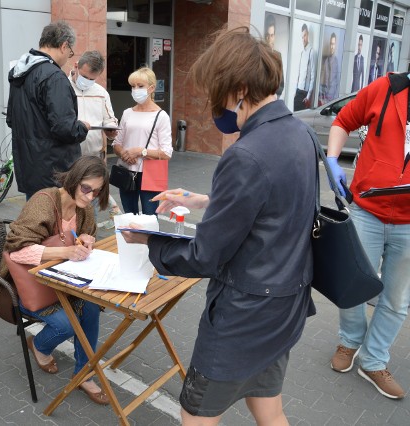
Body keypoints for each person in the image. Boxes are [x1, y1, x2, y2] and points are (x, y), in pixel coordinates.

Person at [122, 27, 317, 425]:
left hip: (243, 315)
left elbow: (204, 256)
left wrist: (147, 239)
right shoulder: (301, 133)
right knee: (268, 407)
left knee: (196, 415)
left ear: (240, 88)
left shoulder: (245, 154)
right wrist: (204, 201)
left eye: (217, 90)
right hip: (285, 304)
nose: (214, 102)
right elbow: (279, 205)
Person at [0, 156, 110, 405]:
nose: (90, 197)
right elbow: (16, 252)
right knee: (65, 325)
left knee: (90, 308)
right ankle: (40, 346)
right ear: (74, 180)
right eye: (86, 188)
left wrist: (87, 239)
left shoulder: (83, 206)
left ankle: (84, 374)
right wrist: (66, 252)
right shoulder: (44, 201)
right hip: (25, 287)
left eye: (96, 192)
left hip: (62, 281)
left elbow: (89, 231)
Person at [325, 69, 410, 400]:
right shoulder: (385, 89)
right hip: (367, 211)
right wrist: (332, 160)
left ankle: (374, 360)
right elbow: (342, 121)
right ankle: (349, 340)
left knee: (396, 298)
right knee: (354, 282)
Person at [6, 20, 90, 199]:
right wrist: (82, 127)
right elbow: (65, 128)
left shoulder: (21, 72)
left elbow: (11, 120)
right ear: (63, 45)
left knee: (37, 221)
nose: (68, 56)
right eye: (70, 51)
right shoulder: (54, 76)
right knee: (58, 223)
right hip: (55, 172)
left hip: (30, 169)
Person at [68, 50, 121, 226]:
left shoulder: (101, 92)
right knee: (68, 206)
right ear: (76, 65)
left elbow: (109, 119)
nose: (88, 82)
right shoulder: (63, 88)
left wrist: (111, 130)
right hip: (69, 159)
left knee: (91, 208)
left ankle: (90, 241)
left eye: (92, 79)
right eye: (84, 77)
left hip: (93, 159)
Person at [112, 67, 172, 215]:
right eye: (133, 86)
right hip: (126, 170)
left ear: (151, 88)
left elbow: (166, 152)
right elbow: (116, 143)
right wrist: (123, 154)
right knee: (129, 215)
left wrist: (140, 151)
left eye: (140, 86)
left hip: (150, 173)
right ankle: (132, 239)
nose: (135, 90)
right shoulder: (127, 113)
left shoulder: (161, 116)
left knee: (150, 216)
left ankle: (150, 239)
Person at [294, 23, 317, 111]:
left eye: (305, 36)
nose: (303, 39)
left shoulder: (312, 52)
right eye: (302, 37)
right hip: (298, 91)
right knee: (294, 116)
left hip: (305, 94)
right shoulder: (302, 53)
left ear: (308, 35)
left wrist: (308, 96)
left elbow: (313, 76)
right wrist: (296, 90)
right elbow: (299, 73)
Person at [264, 14, 284, 97]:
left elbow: (282, 85)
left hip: (274, 99)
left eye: (271, 35)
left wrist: (274, 96)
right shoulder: (259, 55)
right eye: (267, 35)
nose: (269, 39)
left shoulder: (278, 56)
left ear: (274, 36)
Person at [320, 32, 339, 104]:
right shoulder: (326, 61)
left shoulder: (336, 61)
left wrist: (335, 99)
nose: (332, 46)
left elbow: (337, 81)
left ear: (335, 45)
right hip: (325, 98)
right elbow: (322, 80)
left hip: (333, 99)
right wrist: (322, 97)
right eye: (331, 44)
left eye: (333, 44)